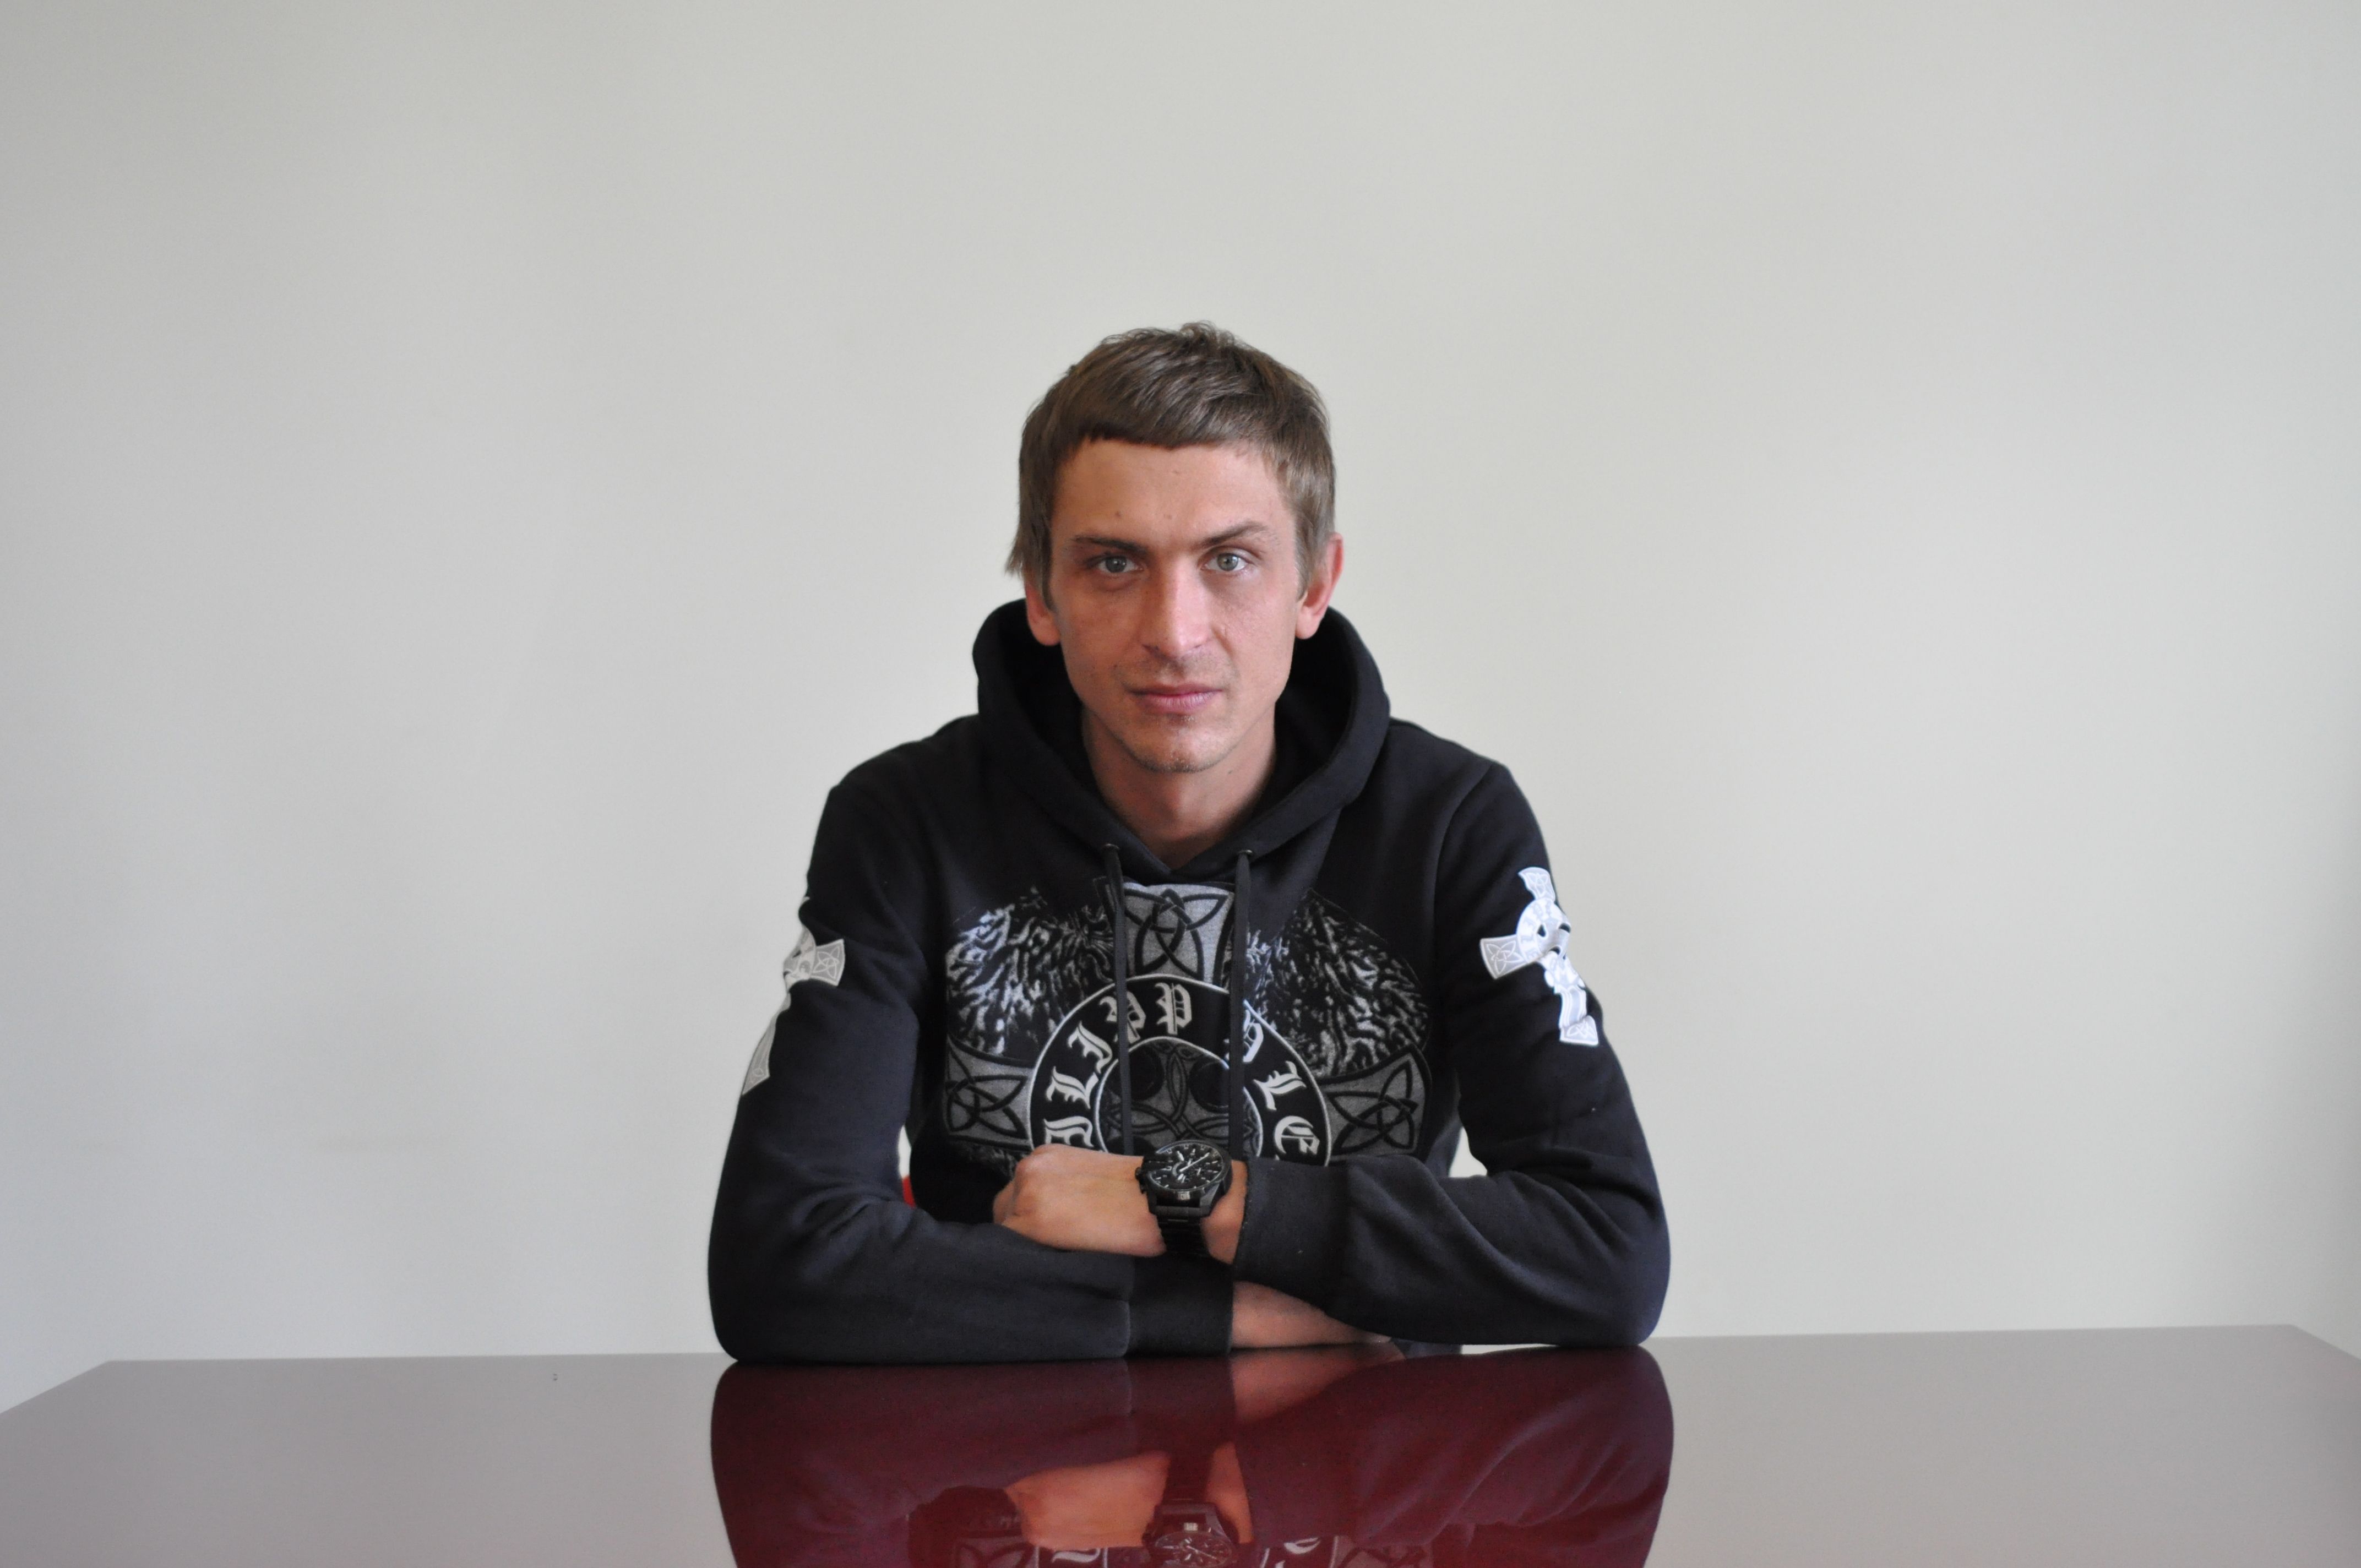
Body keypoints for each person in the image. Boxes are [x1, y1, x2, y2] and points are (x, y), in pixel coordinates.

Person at [708, 323, 1667, 1360]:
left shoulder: (1449, 825)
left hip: (1366, 1456)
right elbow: (777, 1262)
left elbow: (1607, 1250)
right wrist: (1228, 1315)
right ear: (1041, 591)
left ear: (1313, 586)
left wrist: (1196, 1197)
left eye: (1231, 560)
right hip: (1015, 1449)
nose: (1174, 632)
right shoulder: (905, 824)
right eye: (1114, 563)